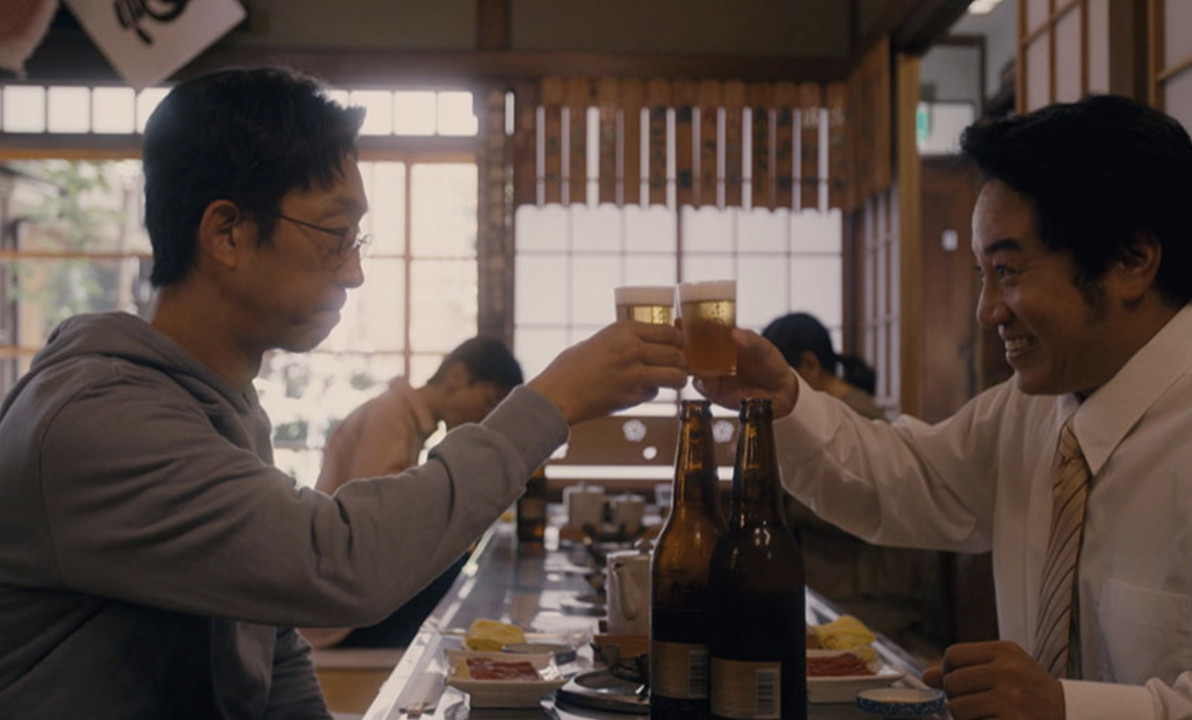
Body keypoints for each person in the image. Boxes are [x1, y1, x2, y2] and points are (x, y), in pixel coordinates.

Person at [0, 67, 687, 719]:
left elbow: (270, 643)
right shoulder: (98, 418)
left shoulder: (219, 404)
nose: (355, 272)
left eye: (358, 239)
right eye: (336, 235)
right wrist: (550, 402)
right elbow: (339, 562)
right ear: (228, 233)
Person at [698, 95, 1192, 720]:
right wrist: (782, 400)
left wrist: (1070, 708)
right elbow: (901, 480)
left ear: (1131, 262)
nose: (986, 312)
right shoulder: (1029, 413)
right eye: (983, 274)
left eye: (1007, 270)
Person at [301, 336, 524, 650]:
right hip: (342, 607)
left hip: (351, 588)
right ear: (457, 376)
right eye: (489, 401)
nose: (486, 416)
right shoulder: (390, 417)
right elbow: (377, 523)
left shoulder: (402, 418)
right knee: (467, 588)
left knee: (466, 581)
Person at [761, 312, 942, 648]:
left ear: (809, 365)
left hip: (870, 590)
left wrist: (786, 497)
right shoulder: (843, 409)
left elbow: (860, 501)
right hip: (848, 584)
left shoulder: (856, 414)